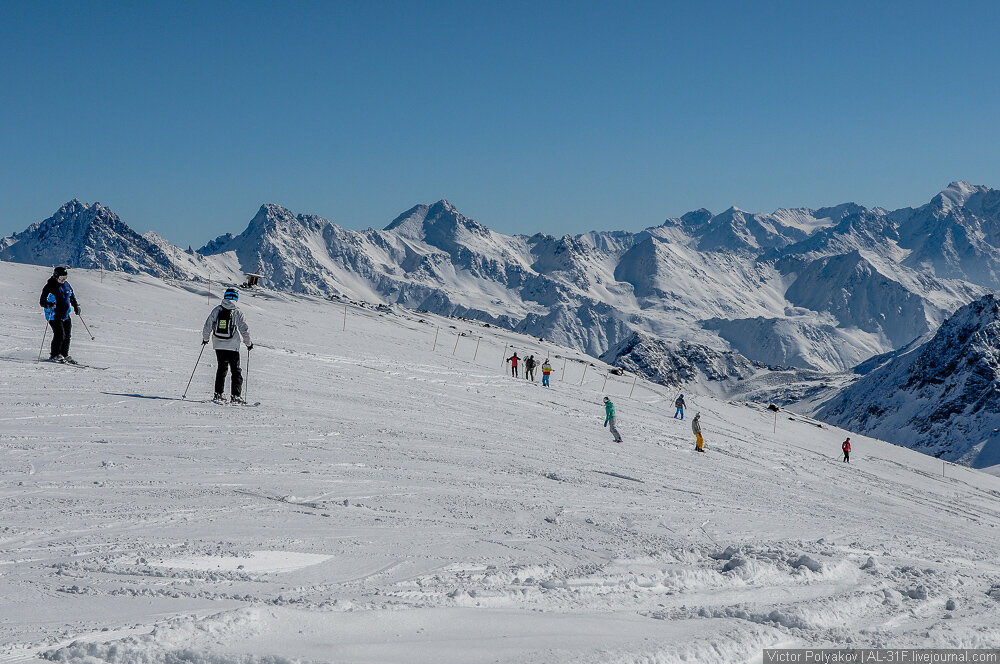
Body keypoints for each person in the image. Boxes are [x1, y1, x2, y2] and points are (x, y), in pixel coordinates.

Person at [202, 287, 253, 403]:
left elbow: (207, 325)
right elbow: (244, 330)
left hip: (218, 344)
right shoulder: (238, 312)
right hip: (233, 346)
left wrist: (205, 339)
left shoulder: (217, 310)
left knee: (221, 369)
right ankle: (236, 396)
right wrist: (248, 344)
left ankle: (218, 393)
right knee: (236, 371)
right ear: (236, 297)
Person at [39, 266, 81, 363]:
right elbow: (42, 302)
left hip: (65, 314)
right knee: (60, 335)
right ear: (55, 276)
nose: (63, 280)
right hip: (53, 315)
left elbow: (71, 296)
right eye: (61, 278)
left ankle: (64, 354)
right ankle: (55, 355)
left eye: (65, 278)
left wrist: (76, 306)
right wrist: (48, 304)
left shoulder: (67, 285)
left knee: (67, 335)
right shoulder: (49, 286)